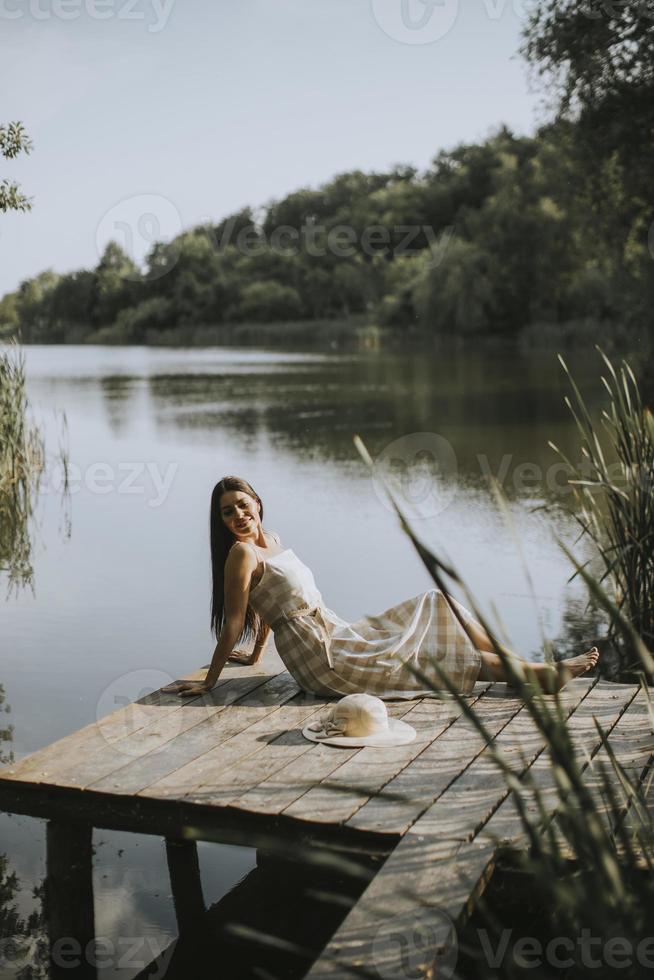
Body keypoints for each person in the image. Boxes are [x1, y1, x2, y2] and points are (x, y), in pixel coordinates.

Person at [163, 476, 599, 698]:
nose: (238, 516)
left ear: (257, 502)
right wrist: (211, 682)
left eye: (242, 505)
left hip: (336, 631)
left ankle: (521, 665)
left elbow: (266, 604)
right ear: (220, 521)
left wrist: (258, 654)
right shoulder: (242, 555)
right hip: (321, 658)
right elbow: (236, 619)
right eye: (226, 512)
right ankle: (540, 676)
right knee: (432, 656)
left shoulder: (271, 540)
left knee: (437, 601)